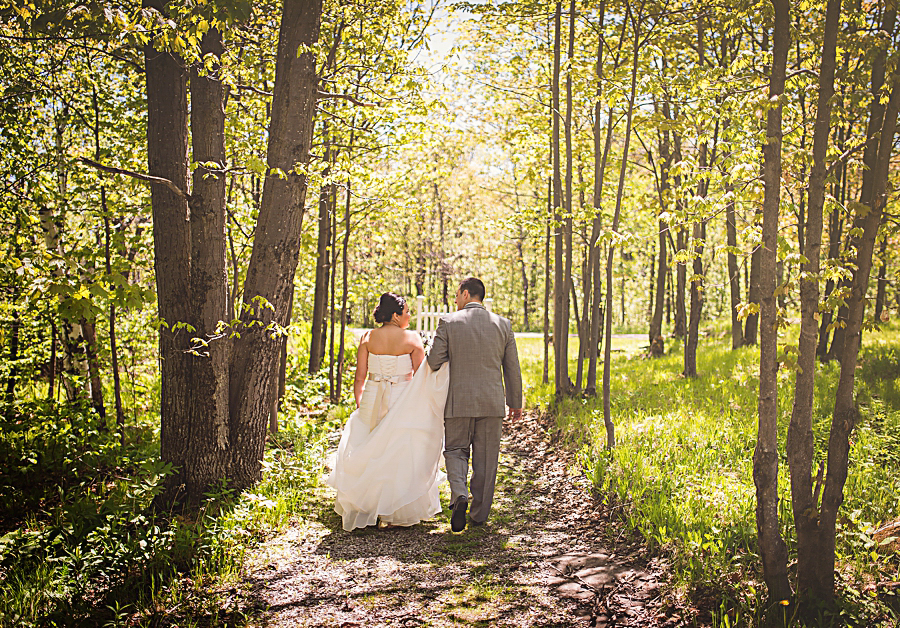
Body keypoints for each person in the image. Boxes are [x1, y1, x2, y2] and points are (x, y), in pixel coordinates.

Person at [327, 292, 449, 531]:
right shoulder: (412, 338)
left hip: (373, 396)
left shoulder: (368, 337)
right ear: (395, 315)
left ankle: (367, 505)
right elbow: (421, 378)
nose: (409, 316)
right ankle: (394, 511)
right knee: (399, 449)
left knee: (369, 446)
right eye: (406, 312)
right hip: (401, 397)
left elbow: (359, 378)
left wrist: (362, 404)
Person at [427, 277, 523, 532]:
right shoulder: (503, 324)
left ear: (467, 293)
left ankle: (459, 493)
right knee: (487, 459)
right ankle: (479, 514)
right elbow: (512, 367)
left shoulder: (449, 322)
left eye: (457, 295)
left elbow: (434, 361)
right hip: (492, 403)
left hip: (458, 401)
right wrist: (515, 402)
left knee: (456, 449)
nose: (455, 301)